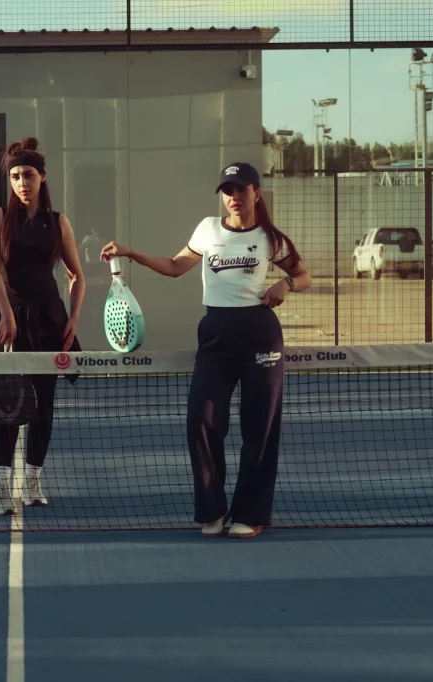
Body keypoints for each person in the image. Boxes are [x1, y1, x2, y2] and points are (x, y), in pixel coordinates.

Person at [100, 161, 311, 538]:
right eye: (228, 191)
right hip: (215, 333)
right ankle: (213, 510)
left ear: (256, 193)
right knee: (202, 418)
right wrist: (130, 252)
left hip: (260, 334)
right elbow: (175, 266)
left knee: (259, 426)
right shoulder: (208, 229)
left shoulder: (270, 238)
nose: (234, 197)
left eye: (241, 189)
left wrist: (286, 285)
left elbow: (303, 275)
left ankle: (250, 515)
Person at [0, 137, 86, 515]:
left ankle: (31, 482)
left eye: (28, 174)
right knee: (7, 404)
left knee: (44, 405)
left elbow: (77, 276)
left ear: (42, 177)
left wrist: (73, 318)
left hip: (48, 321)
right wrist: (6, 314)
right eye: (15, 176)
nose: (21, 182)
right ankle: (0, 486)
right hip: (9, 321)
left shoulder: (59, 222)